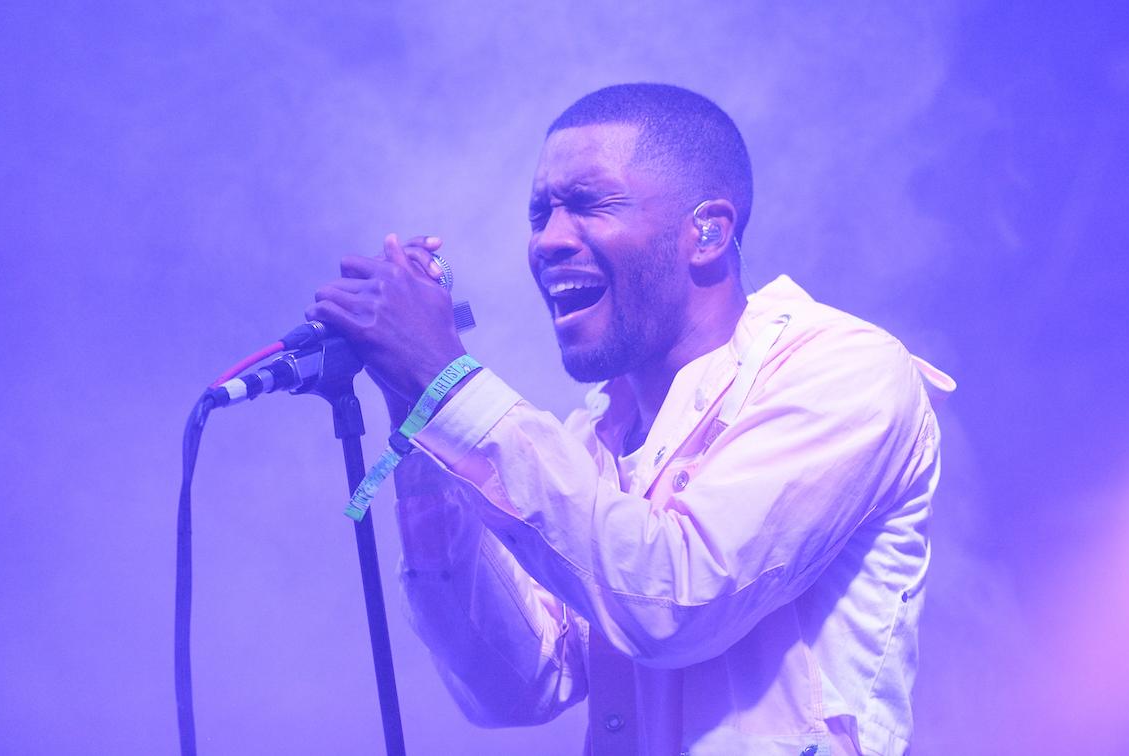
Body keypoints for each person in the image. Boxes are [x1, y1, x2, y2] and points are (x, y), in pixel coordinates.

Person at [307, 83, 953, 756]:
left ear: (706, 232)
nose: (549, 241)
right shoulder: (592, 440)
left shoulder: (845, 370)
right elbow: (517, 686)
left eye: (589, 204)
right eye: (540, 214)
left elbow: (675, 602)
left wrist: (451, 387)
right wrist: (420, 414)